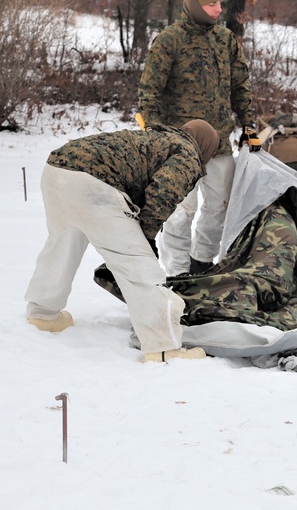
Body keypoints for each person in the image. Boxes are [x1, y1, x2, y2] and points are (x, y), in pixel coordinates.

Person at [24, 121, 221, 362]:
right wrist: (146, 238)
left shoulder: (158, 139)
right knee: (137, 266)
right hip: (94, 184)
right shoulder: (188, 152)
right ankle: (163, 347)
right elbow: (163, 194)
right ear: (206, 145)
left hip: (57, 169)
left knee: (62, 245)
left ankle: (43, 315)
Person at [138, 0, 257, 276]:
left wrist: (249, 125)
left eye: (220, 3)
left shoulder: (226, 40)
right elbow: (149, 91)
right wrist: (154, 133)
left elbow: (240, 85)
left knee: (219, 206)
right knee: (181, 211)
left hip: (217, 143)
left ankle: (201, 264)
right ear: (194, 4)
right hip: (179, 145)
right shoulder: (170, 40)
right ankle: (177, 273)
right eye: (211, 3)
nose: (218, 9)